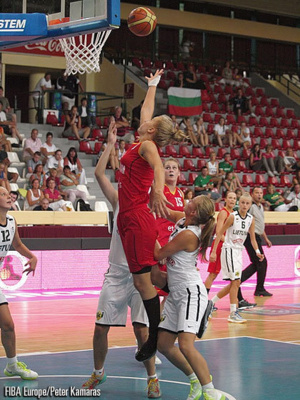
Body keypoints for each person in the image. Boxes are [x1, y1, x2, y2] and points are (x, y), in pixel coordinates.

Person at [82, 121, 161, 397]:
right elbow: (98, 172)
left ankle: (153, 378)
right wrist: (110, 143)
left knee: (142, 331)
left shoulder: (142, 210)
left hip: (139, 274)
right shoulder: (118, 201)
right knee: (100, 327)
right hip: (116, 273)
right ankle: (98, 374)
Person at [117, 69, 186, 363]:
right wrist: (152, 85)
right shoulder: (142, 138)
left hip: (136, 217)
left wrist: (157, 191)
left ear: (152, 131)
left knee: (142, 283)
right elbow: (147, 110)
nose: (144, 120)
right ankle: (193, 301)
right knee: (153, 277)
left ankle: (154, 338)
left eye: (150, 123)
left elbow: (159, 167)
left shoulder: (147, 145)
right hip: (130, 218)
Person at [154, 195, 226, 400]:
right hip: (175, 292)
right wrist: (153, 192)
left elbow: (159, 254)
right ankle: (195, 379)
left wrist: (145, 233)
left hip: (190, 293)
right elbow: (162, 210)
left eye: (192, 200)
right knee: (164, 345)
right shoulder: (182, 219)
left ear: (193, 211)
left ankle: (211, 392)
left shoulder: (189, 234)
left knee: (186, 344)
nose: (189, 199)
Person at [0, 187, 38, 380]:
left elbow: (17, 245)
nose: (8, 196)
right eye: (2, 194)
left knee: (8, 325)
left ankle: (12, 365)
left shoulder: (12, 221)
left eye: (8, 194)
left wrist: (32, 256)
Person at [210, 193, 264, 323]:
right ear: (239, 203)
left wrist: (257, 251)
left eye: (247, 203)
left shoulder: (251, 219)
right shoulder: (232, 217)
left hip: (239, 252)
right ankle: (233, 313)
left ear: (250, 205)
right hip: (229, 249)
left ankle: (210, 303)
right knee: (235, 282)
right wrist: (213, 252)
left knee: (236, 283)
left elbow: (252, 239)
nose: (245, 205)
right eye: (243, 203)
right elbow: (219, 233)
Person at [236, 186, 273, 304]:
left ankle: (239, 281)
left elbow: (260, 225)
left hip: (257, 237)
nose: (259, 195)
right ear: (252, 194)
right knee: (261, 262)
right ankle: (256, 288)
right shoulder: (251, 207)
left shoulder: (260, 207)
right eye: (257, 193)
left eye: (261, 193)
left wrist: (265, 238)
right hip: (250, 237)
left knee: (259, 263)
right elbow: (246, 221)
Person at [204, 191, 237, 297]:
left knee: (234, 276)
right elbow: (218, 232)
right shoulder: (224, 212)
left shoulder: (233, 213)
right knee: (213, 274)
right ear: (225, 199)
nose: (232, 200)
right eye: (230, 198)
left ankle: (238, 299)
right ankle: (204, 299)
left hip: (227, 247)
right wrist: (230, 243)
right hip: (220, 245)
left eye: (234, 198)